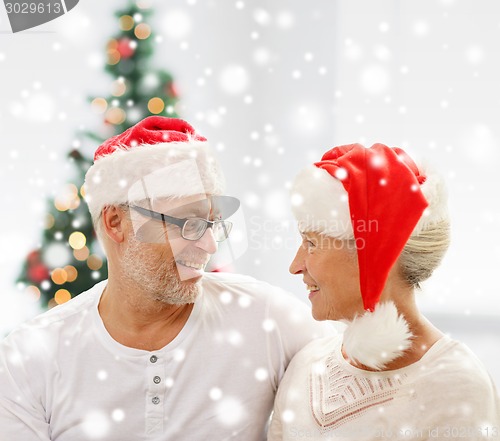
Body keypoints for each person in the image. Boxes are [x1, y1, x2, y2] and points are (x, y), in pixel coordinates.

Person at [0, 116, 329, 441]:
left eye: (212, 223)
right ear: (116, 223)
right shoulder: (31, 356)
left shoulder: (269, 321)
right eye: (189, 223)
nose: (210, 245)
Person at [268, 143, 500, 440]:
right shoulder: (306, 365)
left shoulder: (456, 387)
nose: (295, 266)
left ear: (376, 257)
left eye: (311, 243)